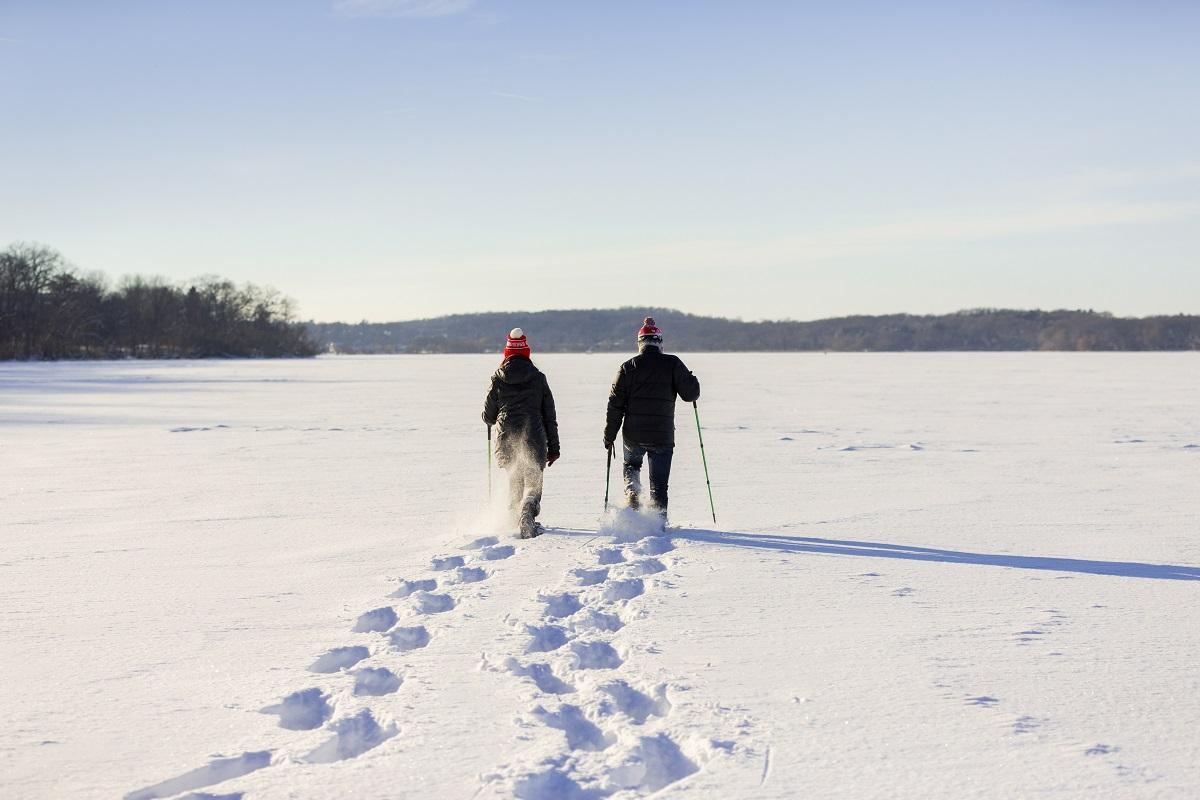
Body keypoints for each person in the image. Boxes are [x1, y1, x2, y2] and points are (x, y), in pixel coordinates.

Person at [603, 317, 700, 523]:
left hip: (633, 434)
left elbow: (615, 405)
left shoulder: (627, 367)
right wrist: (692, 380)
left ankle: (633, 496)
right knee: (659, 486)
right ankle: (657, 525)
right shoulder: (673, 363)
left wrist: (609, 436)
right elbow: (690, 394)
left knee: (631, 466)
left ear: (640, 343)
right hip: (662, 435)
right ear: (659, 342)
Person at [483, 328, 560, 538]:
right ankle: (528, 510)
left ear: (506, 353)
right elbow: (549, 416)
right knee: (533, 479)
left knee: (514, 478)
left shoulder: (498, 378)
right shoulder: (538, 378)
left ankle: (512, 517)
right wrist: (554, 448)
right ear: (526, 352)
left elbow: (488, 416)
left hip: (506, 436)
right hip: (534, 435)